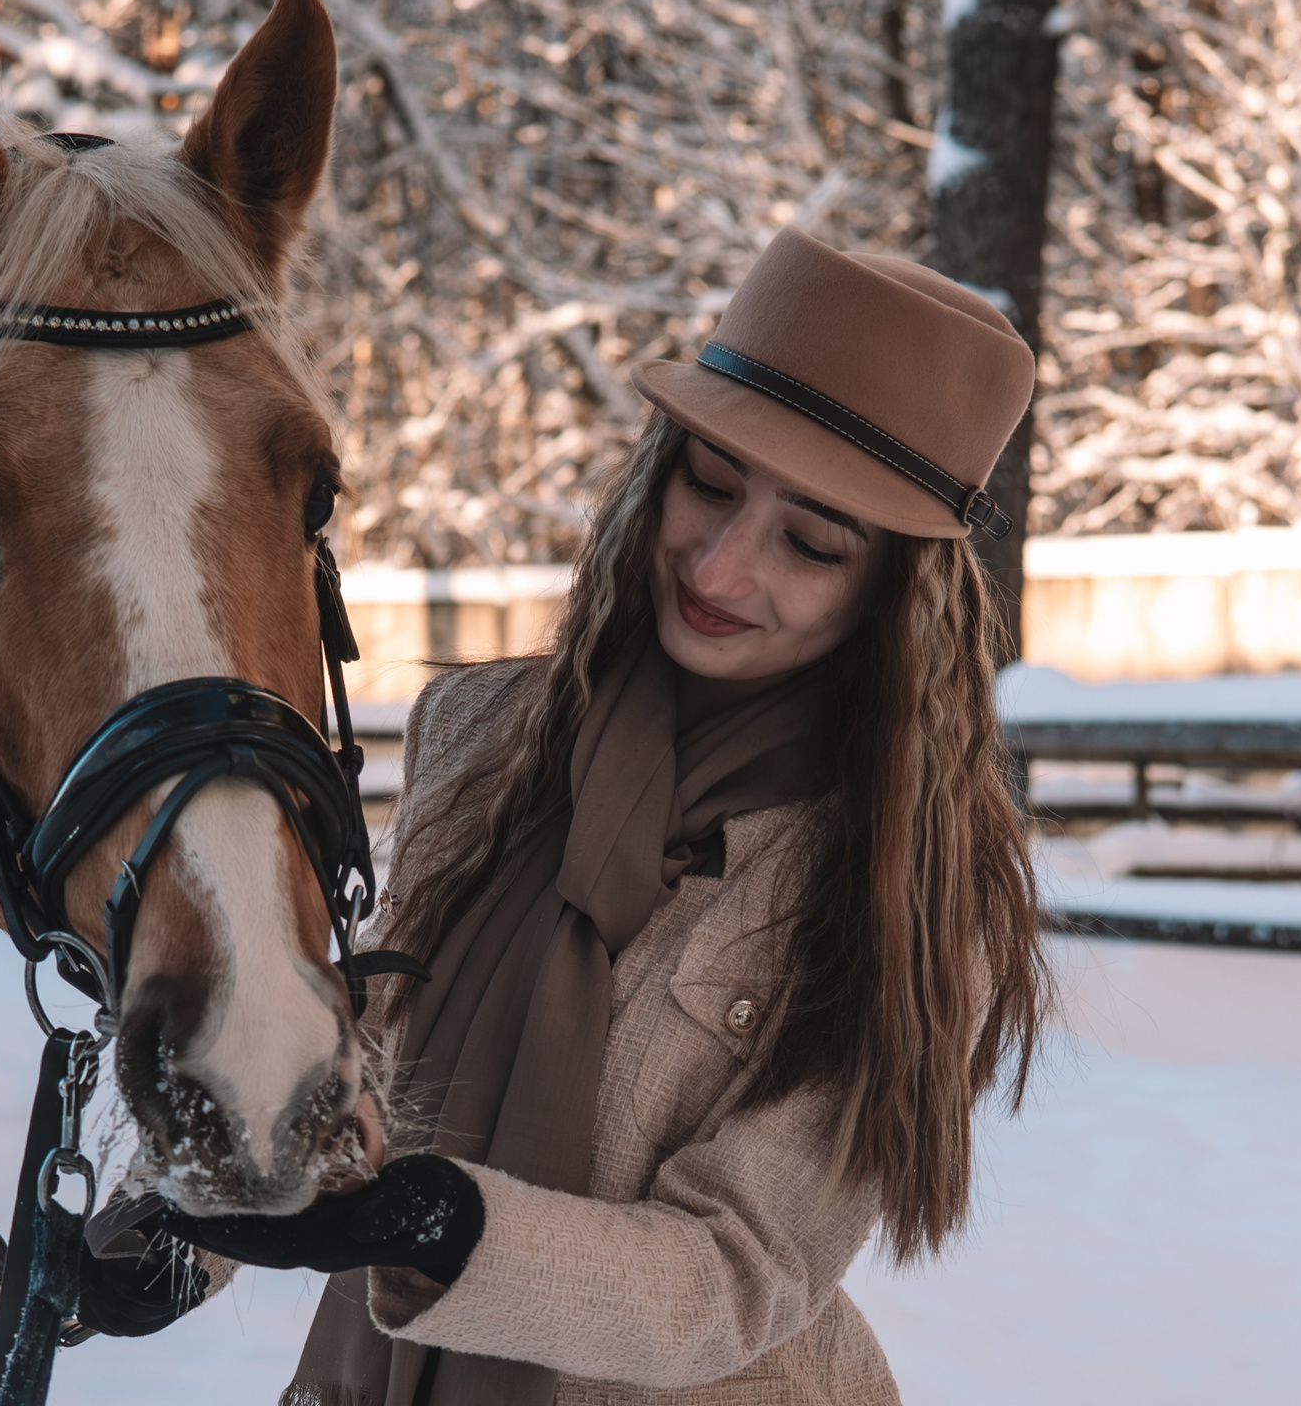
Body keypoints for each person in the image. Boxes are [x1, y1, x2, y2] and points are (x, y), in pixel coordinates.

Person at [144, 226, 1051, 1405]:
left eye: (810, 544)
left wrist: (445, 1230)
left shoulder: (901, 885)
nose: (720, 570)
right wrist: (190, 1226)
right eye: (710, 484)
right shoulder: (482, 737)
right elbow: (359, 1063)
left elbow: (737, 1274)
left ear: (894, 597)